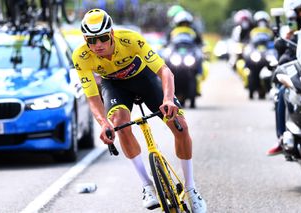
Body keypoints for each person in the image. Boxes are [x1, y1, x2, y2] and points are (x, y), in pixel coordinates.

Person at [72, 9, 207, 212]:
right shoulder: (81, 56)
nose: (97, 45)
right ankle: (147, 185)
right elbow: (92, 97)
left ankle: (191, 188)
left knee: (181, 127)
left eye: (102, 38)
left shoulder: (130, 39)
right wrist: (103, 123)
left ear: (111, 34)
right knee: (119, 124)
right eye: (91, 40)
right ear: (85, 40)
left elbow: (164, 71)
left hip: (144, 79)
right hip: (115, 85)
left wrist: (168, 99)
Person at [267, 0, 301, 156]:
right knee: (282, 91)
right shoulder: (291, 28)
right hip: (300, 70)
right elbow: (284, 56)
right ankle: (282, 137)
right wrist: (287, 39)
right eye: (299, 10)